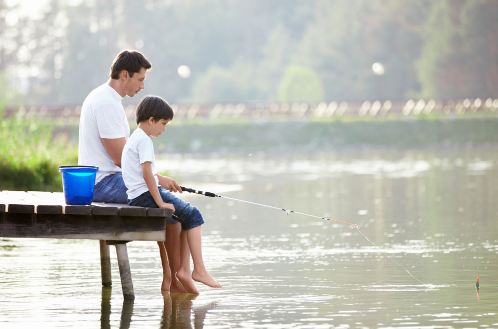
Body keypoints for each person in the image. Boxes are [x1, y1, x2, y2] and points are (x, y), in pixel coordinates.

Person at [78, 50, 187, 293]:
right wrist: (157, 180)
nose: (142, 85)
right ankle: (172, 280)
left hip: (105, 179)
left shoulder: (103, 97)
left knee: (165, 202)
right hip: (103, 183)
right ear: (125, 75)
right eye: (140, 79)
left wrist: (157, 181)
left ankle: (171, 278)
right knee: (170, 206)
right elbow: (120, 159)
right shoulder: (107, 103)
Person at [122, 95, 221, 293]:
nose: (164, 128)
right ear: (151, 120)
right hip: (146, 196)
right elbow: (147, 174)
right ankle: (198, 270)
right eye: (163, 123)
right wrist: (159, 202)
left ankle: (184, 271)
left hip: (137, 196)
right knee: (194, 215)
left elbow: (146, 175)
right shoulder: (144, 141)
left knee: (185, 218)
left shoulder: (135, 137)